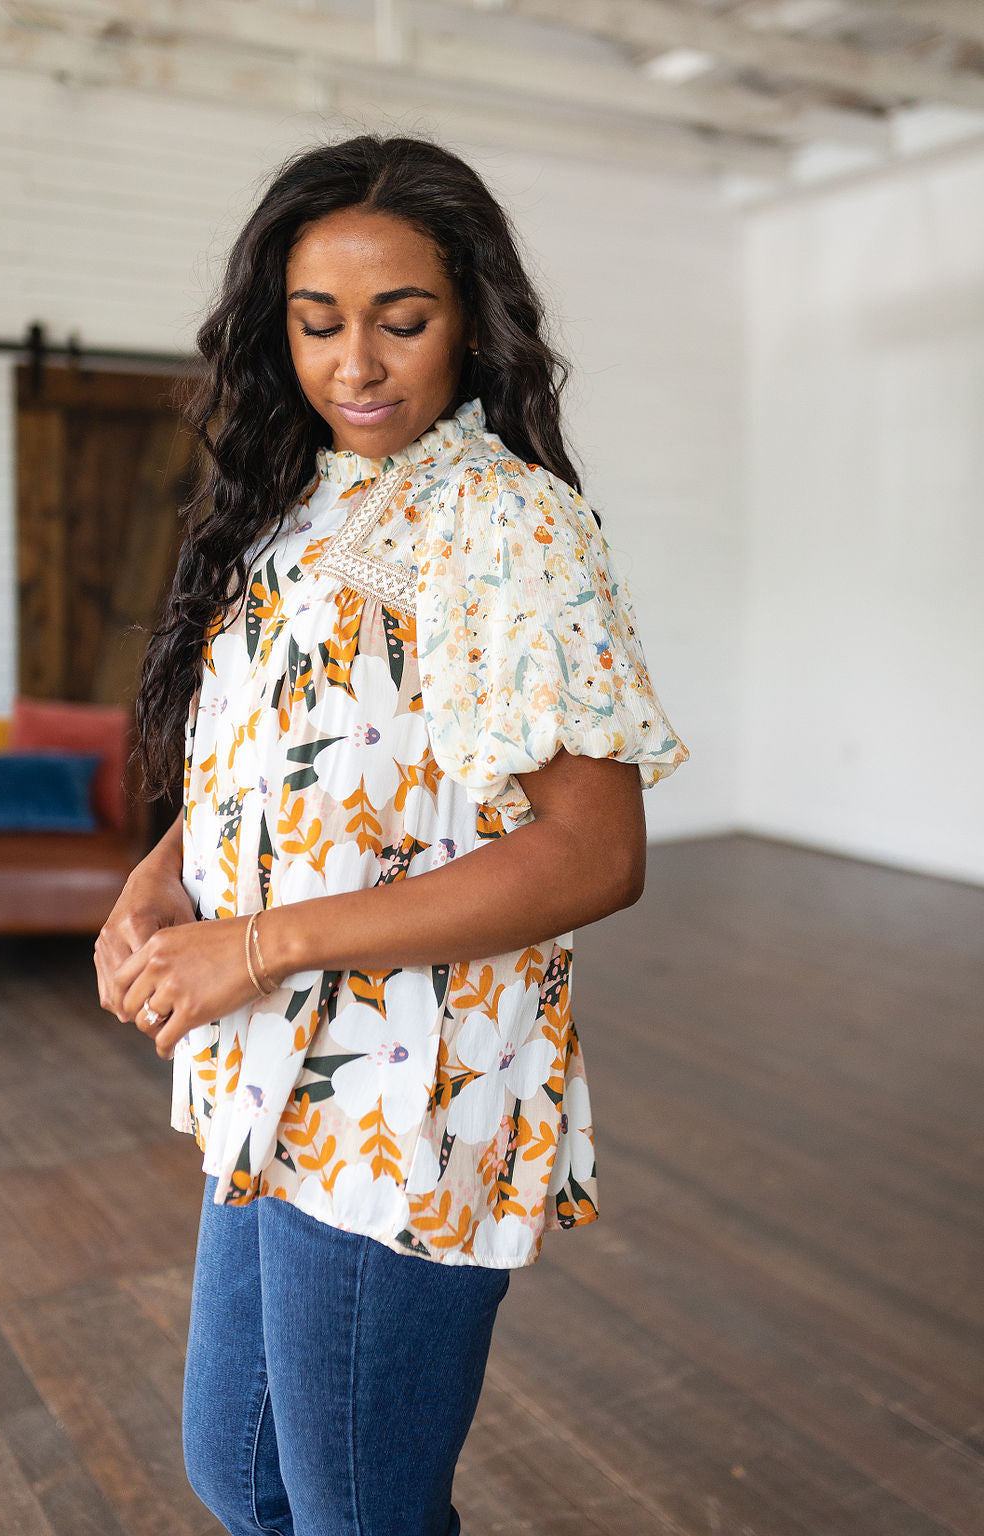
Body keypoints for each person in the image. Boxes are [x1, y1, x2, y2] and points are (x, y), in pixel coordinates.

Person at [94, 132, 689, 1536]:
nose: (355, 365)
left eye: (400, 321)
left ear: (472, 320)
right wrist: (158, 879)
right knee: (240, 1475)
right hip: (268, 1069)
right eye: (318, 324)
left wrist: (257, 944)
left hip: (407, 1084)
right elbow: (262, 754)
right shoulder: (291, 504)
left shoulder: (511, 524)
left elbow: (596, 852)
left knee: (358, 1515)